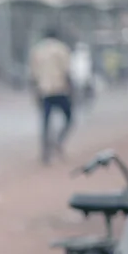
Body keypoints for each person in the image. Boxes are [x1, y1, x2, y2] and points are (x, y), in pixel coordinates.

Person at [29, 28, 73, 165]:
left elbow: (33, 74)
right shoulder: (62, 49)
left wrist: (35, 92)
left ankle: (45, 152)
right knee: (69, 117)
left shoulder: (37, 50)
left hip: (44, 91)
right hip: (60, 89)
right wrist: (72, 89)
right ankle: (58, 141)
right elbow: (67, 71)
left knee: (45, 122)